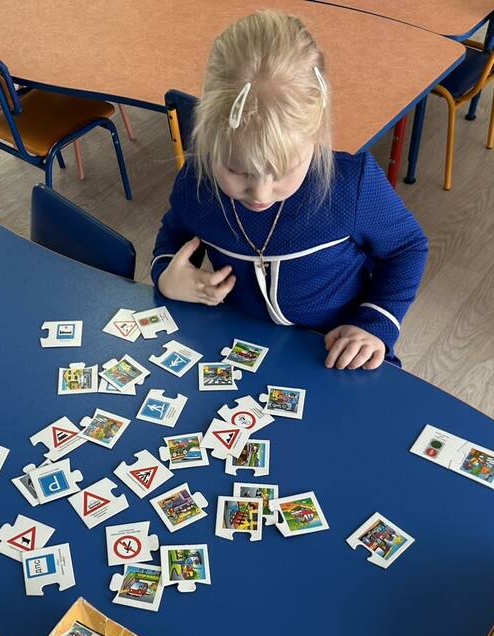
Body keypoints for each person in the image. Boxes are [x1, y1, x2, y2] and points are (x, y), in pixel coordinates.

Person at [152, 10, 428, 369]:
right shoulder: (196, 182)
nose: (260, 193)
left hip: (336, 352)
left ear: (315, 138)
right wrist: (167, 276)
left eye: (282, 172)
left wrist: (374, 323)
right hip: (238, 347)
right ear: (208, 137)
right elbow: (174, 235)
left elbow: (408, 247)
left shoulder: (351, 184)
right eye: (237, 170)